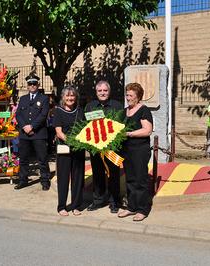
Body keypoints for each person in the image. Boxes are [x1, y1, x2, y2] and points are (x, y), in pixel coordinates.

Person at [85, 80, 123, 213]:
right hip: (95, 149)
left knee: (113, 175)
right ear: (96, 92)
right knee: (97, 175)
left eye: (105, 90)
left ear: (109, 91)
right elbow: (86, 126)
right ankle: (98, 201)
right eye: (100, 91)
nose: (102, 93)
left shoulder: (117, 106)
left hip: (112, 148)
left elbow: (121, 127)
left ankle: (114, 202)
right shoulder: (90, 106)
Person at [118, 82, 153, 222]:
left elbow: (147, 130)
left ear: (138, 97)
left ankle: (142, 209)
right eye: (127, 94)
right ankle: (132, 207)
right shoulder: (124, 111)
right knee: (130, 179)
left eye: (131, 95)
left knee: (140, 179)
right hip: (127, 150)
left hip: (140, 150)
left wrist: (129, 134)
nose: (128, 97)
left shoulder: (144, 110)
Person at [53, 86, 85, 216]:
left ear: (75, 97)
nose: (70, 98)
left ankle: (76, 205)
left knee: (78, 178)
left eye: (72, 96)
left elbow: (85, 128)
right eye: (67, 96)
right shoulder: (58, 112)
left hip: (79, 149)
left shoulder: (80, 111)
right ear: (63, 98)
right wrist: (71, 141)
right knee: (63, 178)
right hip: (64, 149)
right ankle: (62, 206)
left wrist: (79, 142)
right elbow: (59, 132)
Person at [15, 73, 51, 190]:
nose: (32, 86)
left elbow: (43, 115)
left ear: (38, 84)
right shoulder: (23, 99)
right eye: (30, 84)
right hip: (25, 134)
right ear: (27, 86)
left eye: (34, 83)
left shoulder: (44, 98)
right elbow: (18, 114)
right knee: (24, 158)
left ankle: (45, 180)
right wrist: (25, 126)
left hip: (38, 133)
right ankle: (23, 180)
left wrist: (32, 127)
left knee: (42, 158)